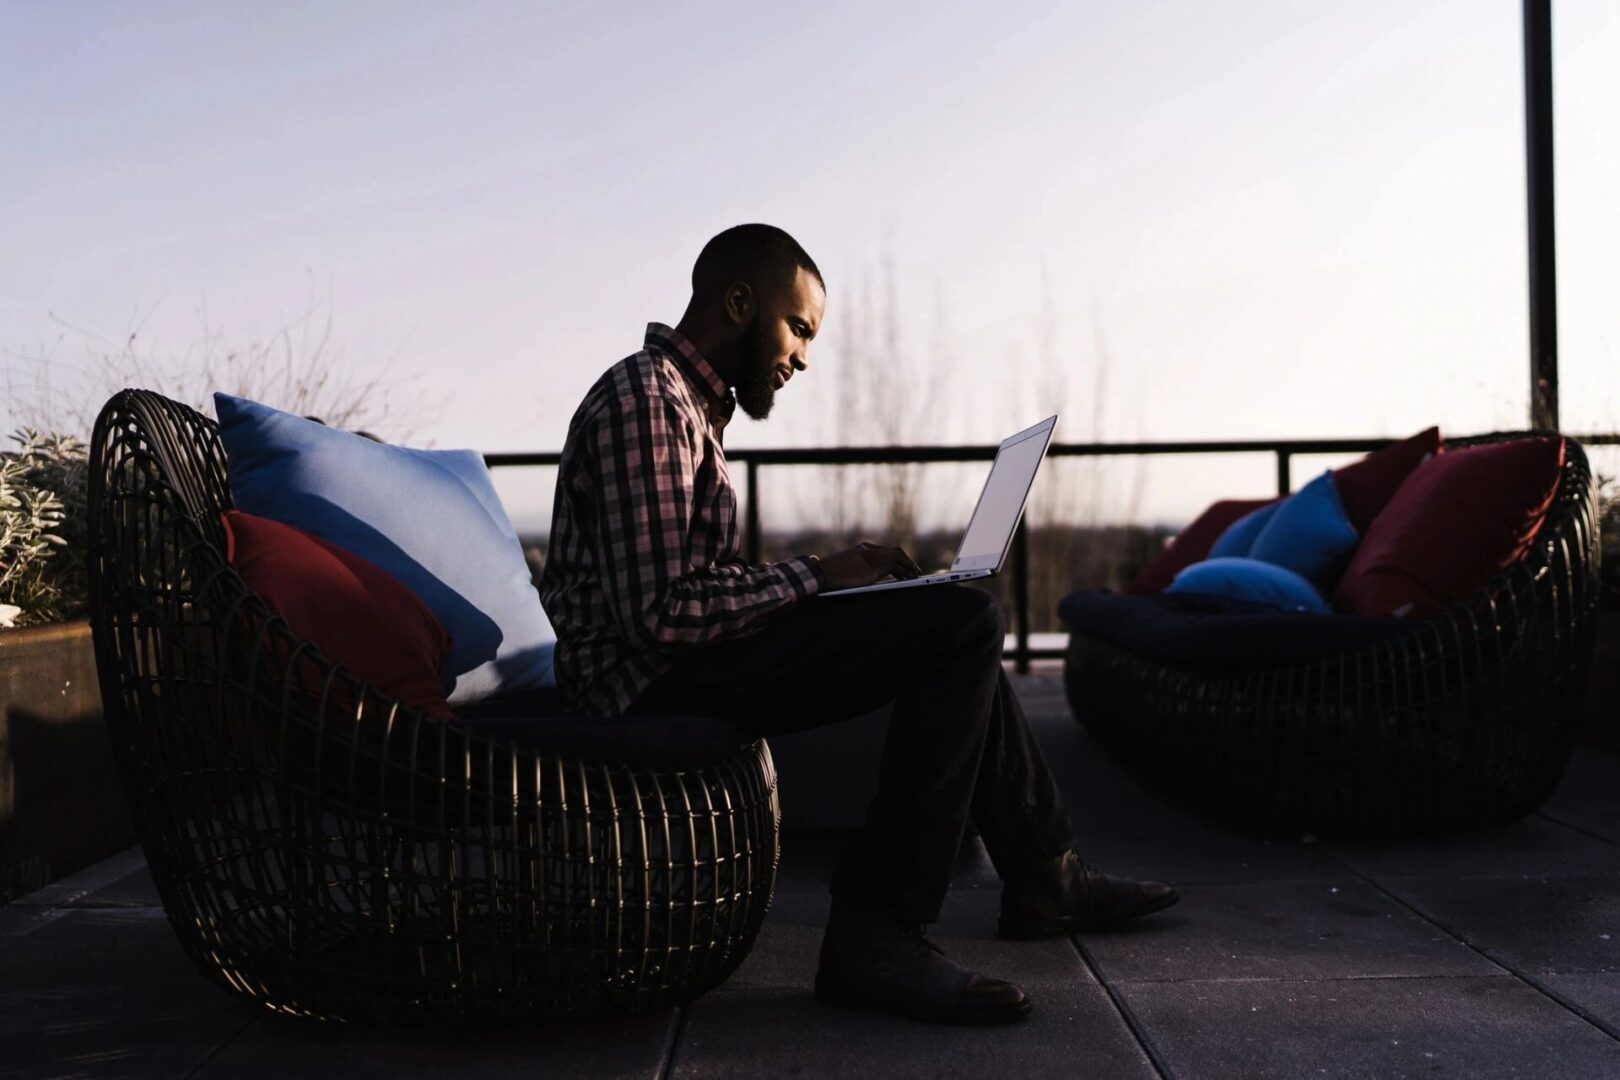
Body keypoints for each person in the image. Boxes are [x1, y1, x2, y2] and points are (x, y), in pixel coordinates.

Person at [539, 224, 1177, 1025]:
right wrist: (817, 576)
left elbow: (690, 590)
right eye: (799, 327)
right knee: (958, 627)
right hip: (644, 685)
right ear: (739, 303)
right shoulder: (647, 403)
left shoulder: (688, 406)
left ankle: (1045, 871)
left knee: (954, 618)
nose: (804, 356)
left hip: (674, 662)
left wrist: (830, 587)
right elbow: (662, 616)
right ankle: (878, 933)